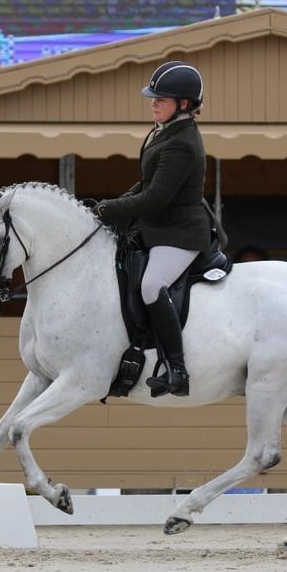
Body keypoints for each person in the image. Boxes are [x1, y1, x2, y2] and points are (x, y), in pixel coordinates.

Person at [94, 60, 211, 397]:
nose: (153, 103)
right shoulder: (165, 132)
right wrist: (108, 204)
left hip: (179, 232)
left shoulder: (183, 142)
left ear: (184, 104)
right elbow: (146, 183)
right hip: (156, 227)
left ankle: (178, 368)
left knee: (150, 285)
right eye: (153, 98)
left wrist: (110, 209)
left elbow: (157, 197)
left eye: (161, 99)